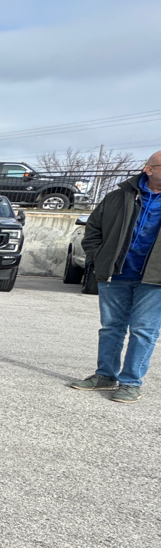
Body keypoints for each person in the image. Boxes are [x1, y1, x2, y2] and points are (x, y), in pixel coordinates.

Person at [69, 150, 161, 402]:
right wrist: (98, 258)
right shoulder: (118, 197)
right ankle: (105, 376)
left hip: (155, 280)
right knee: (111, 328)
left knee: (143, 330)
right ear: (149, 169)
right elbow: (93, 229)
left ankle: (131, 383)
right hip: (116, 274)